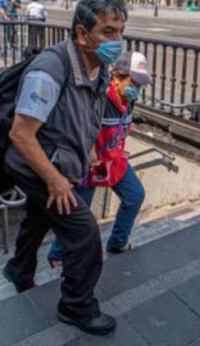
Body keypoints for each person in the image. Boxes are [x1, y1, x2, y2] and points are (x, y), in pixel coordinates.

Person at [2, 0, 127, 336]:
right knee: (84, 234)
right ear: (81, 33)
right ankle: (76, 305)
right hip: (35, 164)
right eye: (108, 31)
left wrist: (88, 151)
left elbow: (83, 114)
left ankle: (18, 269)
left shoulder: (98, 65)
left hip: (61, 158)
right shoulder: (49, 70)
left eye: (120, 30)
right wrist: (55, 180)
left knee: (40, 217)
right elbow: (22, 134)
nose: (117, 40)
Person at [47, 51, 151, 268]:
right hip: (90, 165)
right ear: (117, 76)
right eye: (134, 83)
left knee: (135, 196)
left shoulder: (128, 99)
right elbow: (76, 127)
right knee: (77, 213)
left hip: (114, 163)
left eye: (141, 85)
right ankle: (57, 254)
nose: (137, 89)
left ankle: (118, 242)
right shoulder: (99, 98)